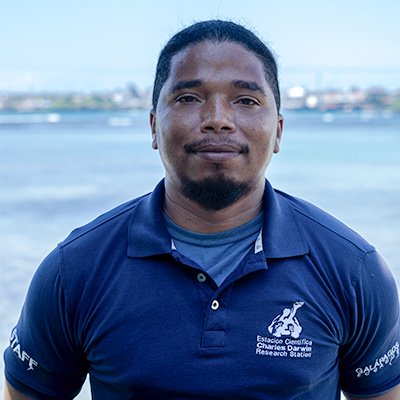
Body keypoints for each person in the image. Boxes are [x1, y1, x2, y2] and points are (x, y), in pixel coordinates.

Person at [3, 20, 400, 400]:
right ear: (153, 126)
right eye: (188, 98)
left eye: (246, 100)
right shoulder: (75, 269)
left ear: (278, 131)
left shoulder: (351, 269)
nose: (218, 120)